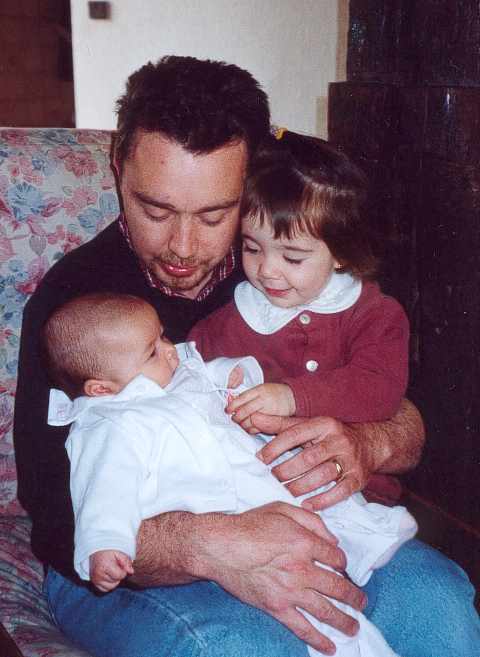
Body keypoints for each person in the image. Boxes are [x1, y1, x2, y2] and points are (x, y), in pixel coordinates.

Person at [13, 55, 479, 657]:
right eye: (155, 210)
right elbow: (56, 516)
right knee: (244, 645)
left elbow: (402, 412)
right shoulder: (76, 307)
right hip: (128, 563)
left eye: (214, 215)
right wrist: (207, 545)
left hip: (310, 520)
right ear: (118, 168)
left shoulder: (284, 262)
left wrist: (370, 442)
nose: (182, 247)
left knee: (437, 604)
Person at [43, 291, 416, 657]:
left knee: (317, 515)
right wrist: (106, 544)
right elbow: (104, 492)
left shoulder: (171, 374)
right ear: (101, 389)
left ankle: (365, 536)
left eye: (163, 336)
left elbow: (205, 372)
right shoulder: (109, 425)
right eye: (152, 352)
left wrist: (234, 373)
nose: (170, 350)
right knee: (317, 610)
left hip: (255, 482)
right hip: (217, 513)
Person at [189, 131, 409, 433]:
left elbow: (381, 388)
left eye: (292, 258)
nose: (267, 270)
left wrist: (293, 397)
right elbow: (186, 376)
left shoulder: (374, 315)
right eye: (252, 248)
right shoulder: (223, 325)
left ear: (341, 253)